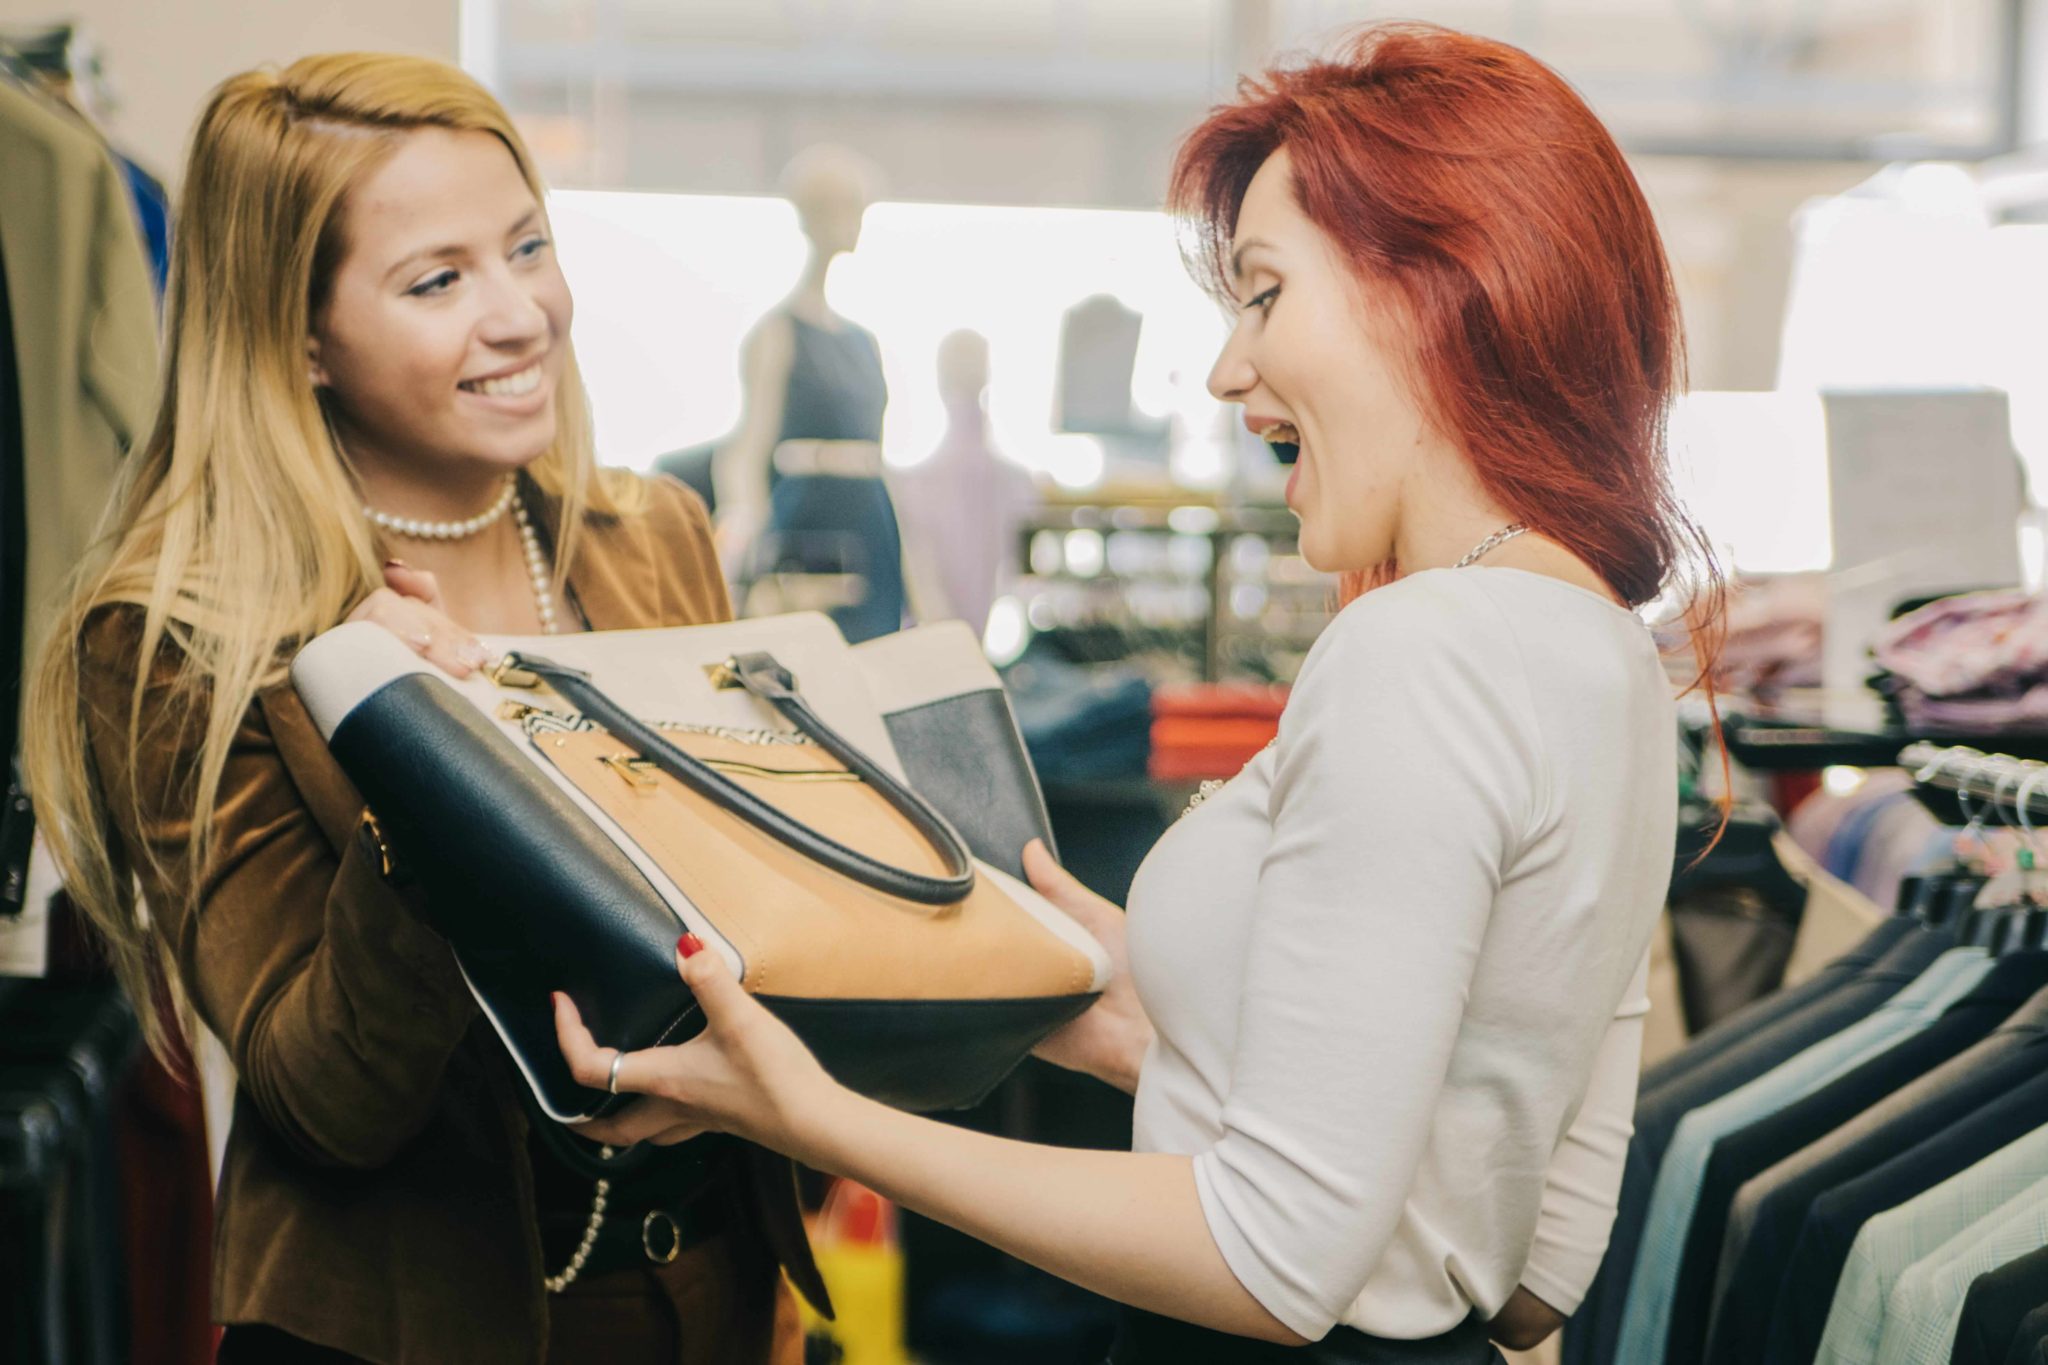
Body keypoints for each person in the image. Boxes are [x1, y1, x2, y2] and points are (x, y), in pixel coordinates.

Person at [553, 22, 1724, 1364]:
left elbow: (1276, 1258)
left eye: (1266, 294)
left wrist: (813, 1117)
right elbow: (1529, 1258)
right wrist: (1084, 984)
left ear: (1432, 287)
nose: (1230, 366)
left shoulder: (1423, 647)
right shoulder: (1608, 654)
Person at [24, 52, 813, 1365]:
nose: (520, 315)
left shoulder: (651, 535)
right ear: (301, 336)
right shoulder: (178, 635)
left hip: (707, 1297)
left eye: (527, 248)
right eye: (438, 280)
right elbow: (328, 1100)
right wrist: (430, 762)